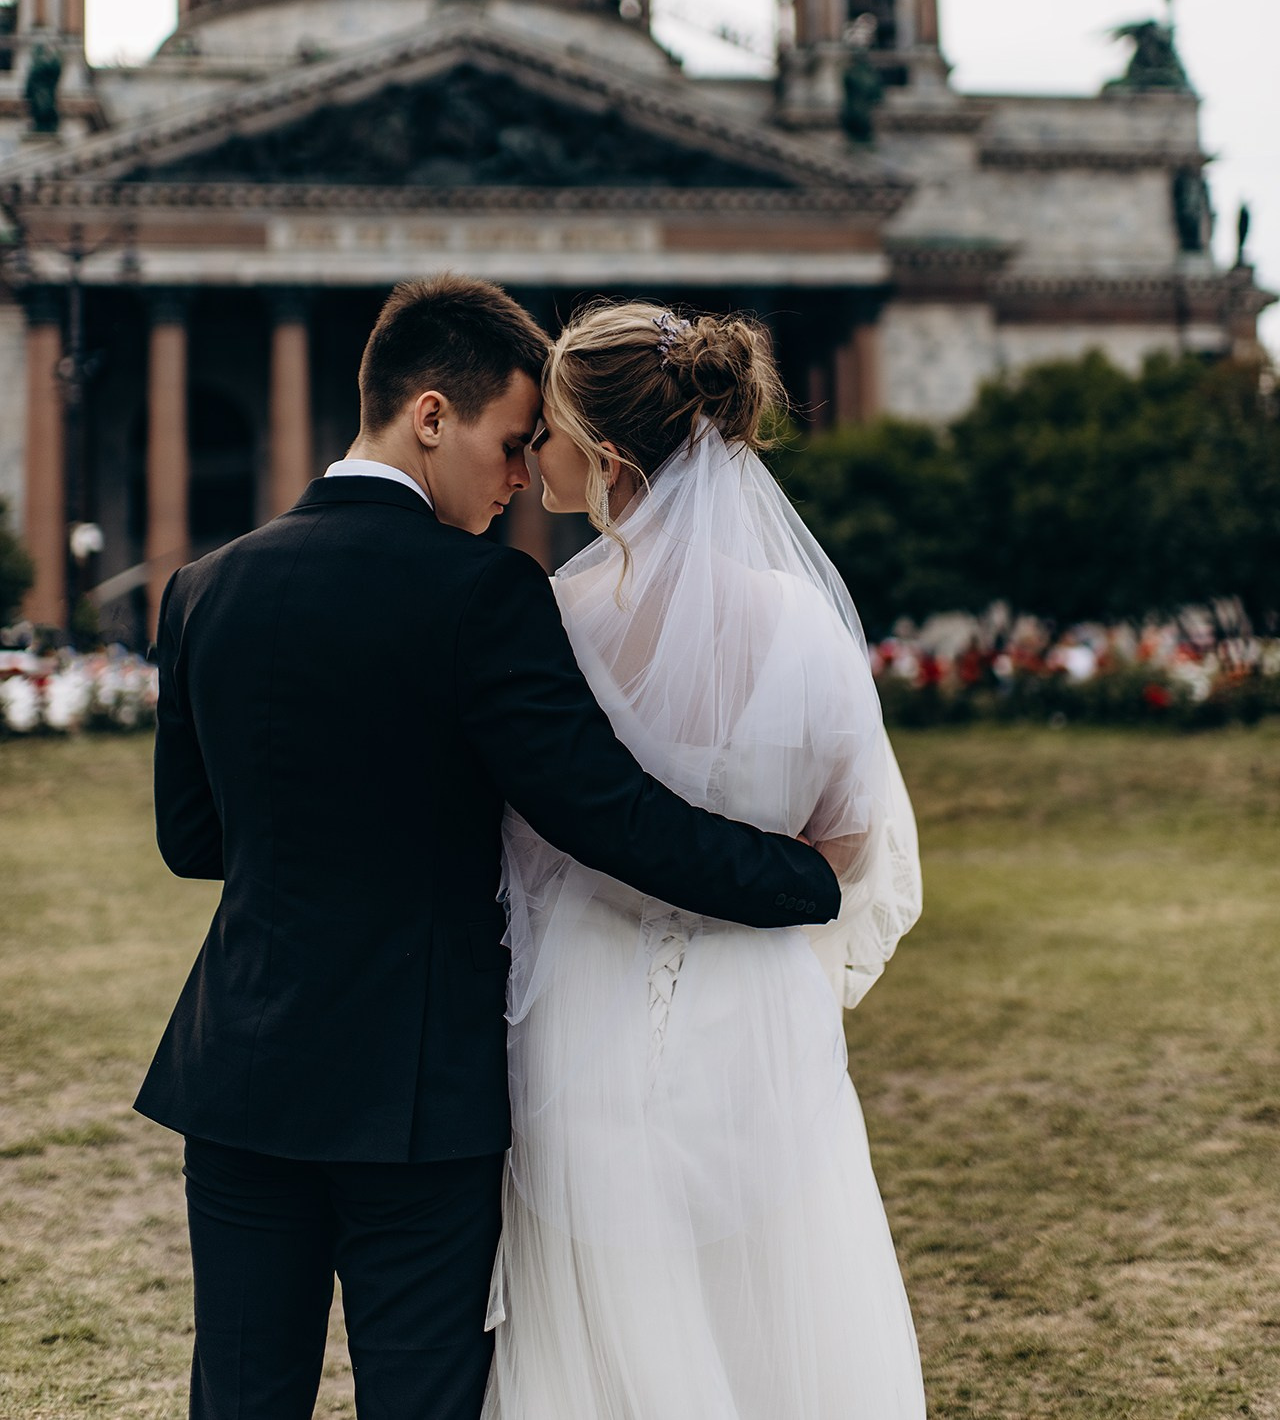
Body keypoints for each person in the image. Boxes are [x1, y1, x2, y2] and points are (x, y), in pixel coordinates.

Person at [135, 275, 841, 1420]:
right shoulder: (483, 594)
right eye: (510, 443)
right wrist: (800, 877)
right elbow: (605, 815)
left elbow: (190, 840)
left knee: (240, 1396)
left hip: (239, 1073)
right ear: (428, 416)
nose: (521, 478)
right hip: (417, 1097)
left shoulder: (204, 588)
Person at [484, 302, 926, 1419]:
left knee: (605, 1313)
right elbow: (854, 837)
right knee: (775, 1297)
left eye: (551, 430)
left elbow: (526, 822)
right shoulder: (803, 626)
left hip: (585, 1002)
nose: (533, 448)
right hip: (760, 999)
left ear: (609, 457)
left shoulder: (555, 623)